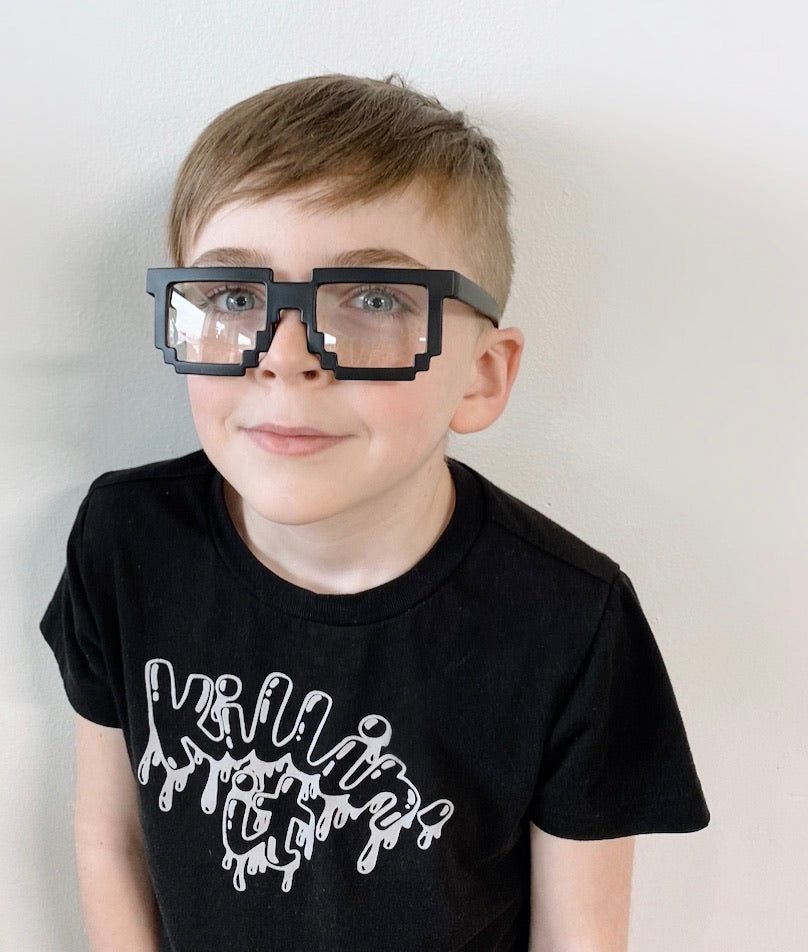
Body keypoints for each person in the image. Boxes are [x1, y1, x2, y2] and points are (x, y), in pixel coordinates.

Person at [39, 74, 709, 952]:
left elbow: (578, 934)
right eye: (234, 297)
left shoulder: (571, 620)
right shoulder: (125, 542)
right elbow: (112, 837)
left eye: (374, 300)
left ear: (482, 376)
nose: (285, 357)